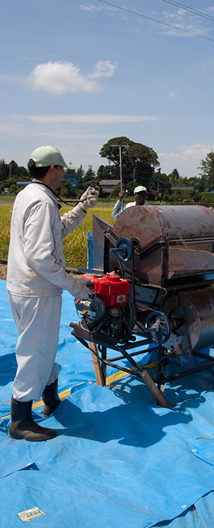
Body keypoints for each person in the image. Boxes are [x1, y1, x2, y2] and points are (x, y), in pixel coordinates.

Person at [6, 145, 99, 441]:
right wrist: (73, 285)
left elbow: (54, 231)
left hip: (21, 287)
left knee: (40, 347)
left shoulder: (29, 195)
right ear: (52, 169)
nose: (64, 174)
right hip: (37, 291)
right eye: (62, 169)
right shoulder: (43, 202)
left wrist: (81, 208)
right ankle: (20, 421)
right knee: (34, 352)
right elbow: (40, 256)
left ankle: (50, 398)